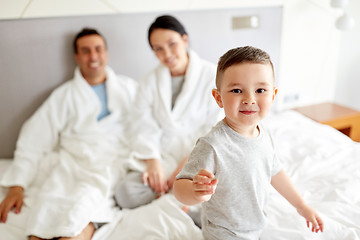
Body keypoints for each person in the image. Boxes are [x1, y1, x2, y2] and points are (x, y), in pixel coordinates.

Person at [173, 46, 324, 239]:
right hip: (224, 231)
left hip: (256, 224)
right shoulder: (212, 145)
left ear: (273, 95)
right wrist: (195, 191)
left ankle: (197, 215)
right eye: (237, 90)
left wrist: (301, 206)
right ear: (219, 98)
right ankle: (198, 216)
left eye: (260, 90)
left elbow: (274, 171)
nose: (249, 99)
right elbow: (179, 187)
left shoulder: (264, 135)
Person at [0, 28, 137, 239]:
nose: (93, 56)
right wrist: (17, 185)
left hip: (109, 163)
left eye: (98, 49)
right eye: (85, 51)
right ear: (77, 57)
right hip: (72, 163)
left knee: (84, 208)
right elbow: (34, 139)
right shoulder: (64, 96)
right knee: (49, 206)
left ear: (106, 53)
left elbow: (150, 129)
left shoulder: (130, 89)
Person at [114, 15, 223, 213]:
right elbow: (141, 123)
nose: (167, 54)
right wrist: (153, 161)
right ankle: (173, 194)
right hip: (164, 154)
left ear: (185, 40)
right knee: (125, 193)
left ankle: (178, 196)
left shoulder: (212, 75)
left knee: (214, 193)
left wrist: (188, 163)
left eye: (172, 44)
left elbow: (216, 126)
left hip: (200, 154)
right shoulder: (149, 81)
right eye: (158, 49)